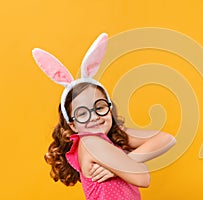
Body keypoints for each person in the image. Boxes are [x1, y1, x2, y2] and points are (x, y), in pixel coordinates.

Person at [32, 33, 176, 200]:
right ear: (72, 125)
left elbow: (167, 139)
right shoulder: (91, 142)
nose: (94, 117)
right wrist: (121, 165)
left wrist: (118, 164)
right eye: (82, 113)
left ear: (109, 108)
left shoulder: (110, 139)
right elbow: (143, 177)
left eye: (99, 107)